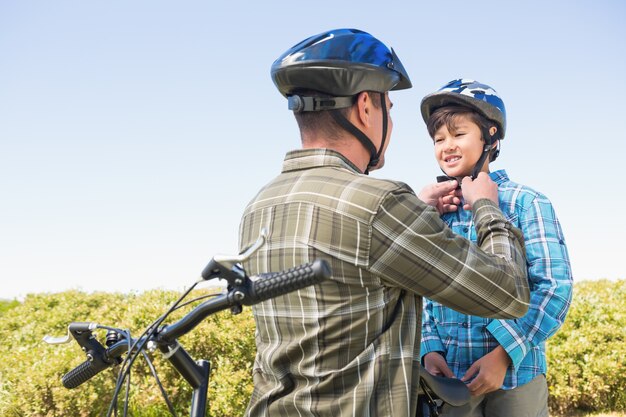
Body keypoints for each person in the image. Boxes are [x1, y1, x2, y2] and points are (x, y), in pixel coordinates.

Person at [238, 29, 530, 417]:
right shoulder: (380, 204)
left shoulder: (260, 205)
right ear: (364, 107)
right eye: (388, 107)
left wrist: (416, 213)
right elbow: (507, 293)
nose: (390, 119)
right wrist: (487, 210)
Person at [419, 79, 573, 417]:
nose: (447, 146)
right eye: (438, 139)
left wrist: (504, 353)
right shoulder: (433, 213)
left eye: (458, 134)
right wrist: (430, 350)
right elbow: (422, 293)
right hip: (451, 380)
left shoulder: (526, 202)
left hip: (518, 377)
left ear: (490, 136)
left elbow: (554, 288)